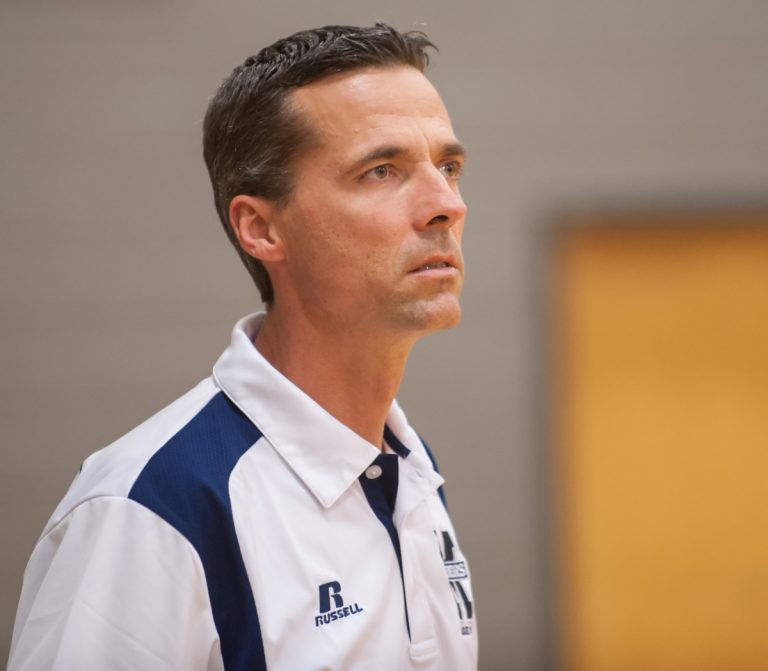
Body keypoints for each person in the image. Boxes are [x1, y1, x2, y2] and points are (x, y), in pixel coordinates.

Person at [9, 24, 477, 671]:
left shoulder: (412, 468)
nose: (444, 204)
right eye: (381, 171)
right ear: (260, 227)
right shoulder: (148, 508)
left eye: (447, 165)